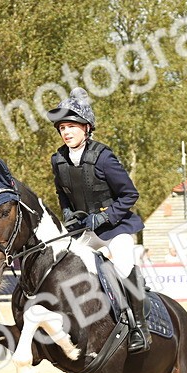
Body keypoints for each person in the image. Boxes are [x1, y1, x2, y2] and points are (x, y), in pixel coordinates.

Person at [47, 88, 150, 353]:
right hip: (84, 231)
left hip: (116, 229)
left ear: (86, 128)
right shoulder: (58, 160)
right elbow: (62, 193)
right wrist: (68, 215)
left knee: (124, 265)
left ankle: (138, 326)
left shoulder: (104, 157)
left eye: (71, 126)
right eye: (62, 128)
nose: (66, 132)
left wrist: (105, 216)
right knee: (65, 267)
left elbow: (130, 194)